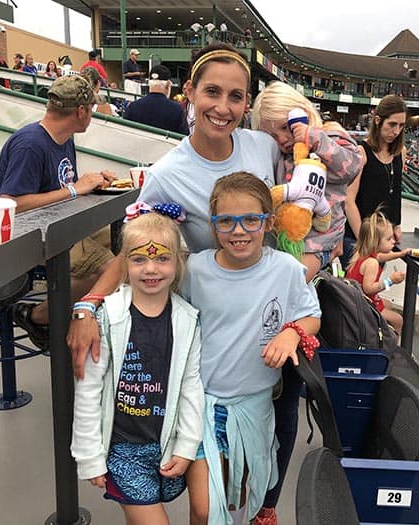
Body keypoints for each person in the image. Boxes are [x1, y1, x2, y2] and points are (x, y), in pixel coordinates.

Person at [65, 42, 282, 525]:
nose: (223, 107)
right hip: (204, 329)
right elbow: (137, 248)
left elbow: (289, 216)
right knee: (202, 478)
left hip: (257, 330)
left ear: (248, 103)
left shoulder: (264, 148)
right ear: (188, 93)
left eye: (235, 96)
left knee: (240, 475)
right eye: (211, 92)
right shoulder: (167, 175)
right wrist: (88, 306)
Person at [183, 171, 321, 525]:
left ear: (269, 222)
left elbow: (311, 316)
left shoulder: (286, 270)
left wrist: (291, 332)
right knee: (203, 507)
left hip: (254, 407)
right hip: (202, 404)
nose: (239, 231)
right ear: (213, 225)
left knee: (236, 496)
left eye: (250, 220)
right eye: (226, 221)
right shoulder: (194, 270)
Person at [71, 212, 204, 525]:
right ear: (125, 265)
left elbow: (190, 386)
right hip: (123, 450)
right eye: (140, 259)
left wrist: (186, 446)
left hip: (166, 443)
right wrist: (91, 458)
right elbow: (89, 390)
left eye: (162, 259)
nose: (151, 269)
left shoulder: (187, 320)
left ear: (177, 263)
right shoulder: (109, 317)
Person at [0, 75, 117, 349]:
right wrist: (75, 190)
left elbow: (62, 187)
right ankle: (38, 316)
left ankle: (79, 314)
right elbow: (11, 204)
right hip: (32, 234)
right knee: (111, 270)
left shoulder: (64, 138)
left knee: (131, 243)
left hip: (63, 225)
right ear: (81, 111)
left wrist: (92, 183)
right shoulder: (30, 144)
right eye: (92, 110)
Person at [250, 80, 363, 281]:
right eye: (272, 136)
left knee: (290, 282)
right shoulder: (282, 156)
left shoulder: (328, 135)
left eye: (286, 127)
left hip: (321, 240)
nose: (282, 138)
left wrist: (314, 138)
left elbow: (352, 165)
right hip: (289, 238)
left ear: (304, 115)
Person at [344, 94, 407, 266]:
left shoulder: (401, 152)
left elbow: (396, 193)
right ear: (378, 121)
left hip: (381, 241)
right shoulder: (361, 152)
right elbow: (349, 201)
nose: (396, 131)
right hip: (357, 240)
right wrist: (364, 243)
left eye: (401, 126)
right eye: (392, 124)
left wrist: (396, 225)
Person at [345, 210, 409, 337]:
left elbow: (381, 256)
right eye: (389, 239)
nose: (393, 242)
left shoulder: (363, 253)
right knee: (398, 320)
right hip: (363, 304)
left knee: (389, 304)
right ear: (375, 242)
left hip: (356, 299)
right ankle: (391, 349)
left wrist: (400, 254)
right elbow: (368, 289)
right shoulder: (372, 263)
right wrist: (391, 281)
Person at [124, 65, 189, 134]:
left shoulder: (133, 107)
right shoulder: (177, 110)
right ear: (167, 85)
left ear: (149, 84)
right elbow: (183, 137)